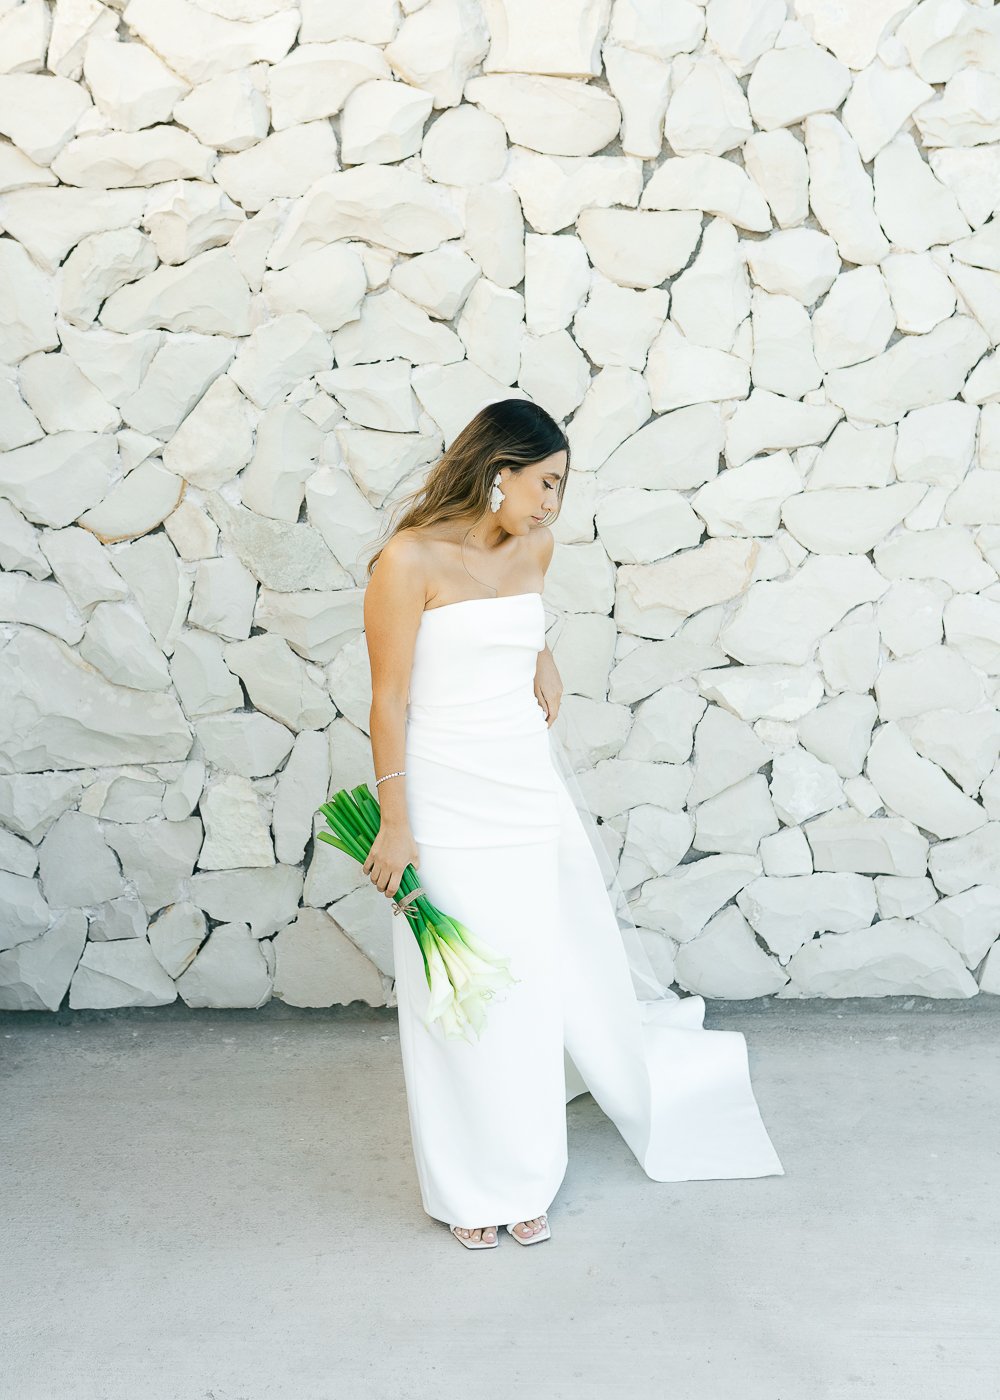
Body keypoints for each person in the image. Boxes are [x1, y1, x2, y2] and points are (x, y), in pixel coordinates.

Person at [361, 399, 784, 1251]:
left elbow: (516, 619)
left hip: (525, 791)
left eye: (561, 486)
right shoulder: (408, 560)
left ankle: (526, 1175)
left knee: (527, 987)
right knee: (458, 995)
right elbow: (389, 700)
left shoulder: (537, 548)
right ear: (498, 472)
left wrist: (543, 656)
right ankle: (467, 1186)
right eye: (546, 482)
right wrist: (396, 825)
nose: (553, 502)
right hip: (444, 799)